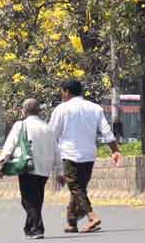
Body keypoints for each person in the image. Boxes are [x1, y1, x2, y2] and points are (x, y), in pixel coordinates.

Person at [48, 79, 122, 234]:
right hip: (89, 154)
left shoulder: (62, 109)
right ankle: (72, 221)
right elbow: (106, 130)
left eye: (62, 92)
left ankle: (92, 216)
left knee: (75, 187)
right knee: (79, 189)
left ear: (67, 92)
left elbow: (52, 134)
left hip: (69, 154)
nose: (62, 95)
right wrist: (115, 150)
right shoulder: (95, 108)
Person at [0, 99, 59, 239]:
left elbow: (10, 145)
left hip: (28, 167)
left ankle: (38, 228)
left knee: (27, 200)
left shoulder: (21, 125)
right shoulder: (47, 127)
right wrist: (60, 170)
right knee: (37, 199)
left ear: (24, 111)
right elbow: (56, 150)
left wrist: (1, 163)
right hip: (44, 169)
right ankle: (29, 228)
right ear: (39, 111)